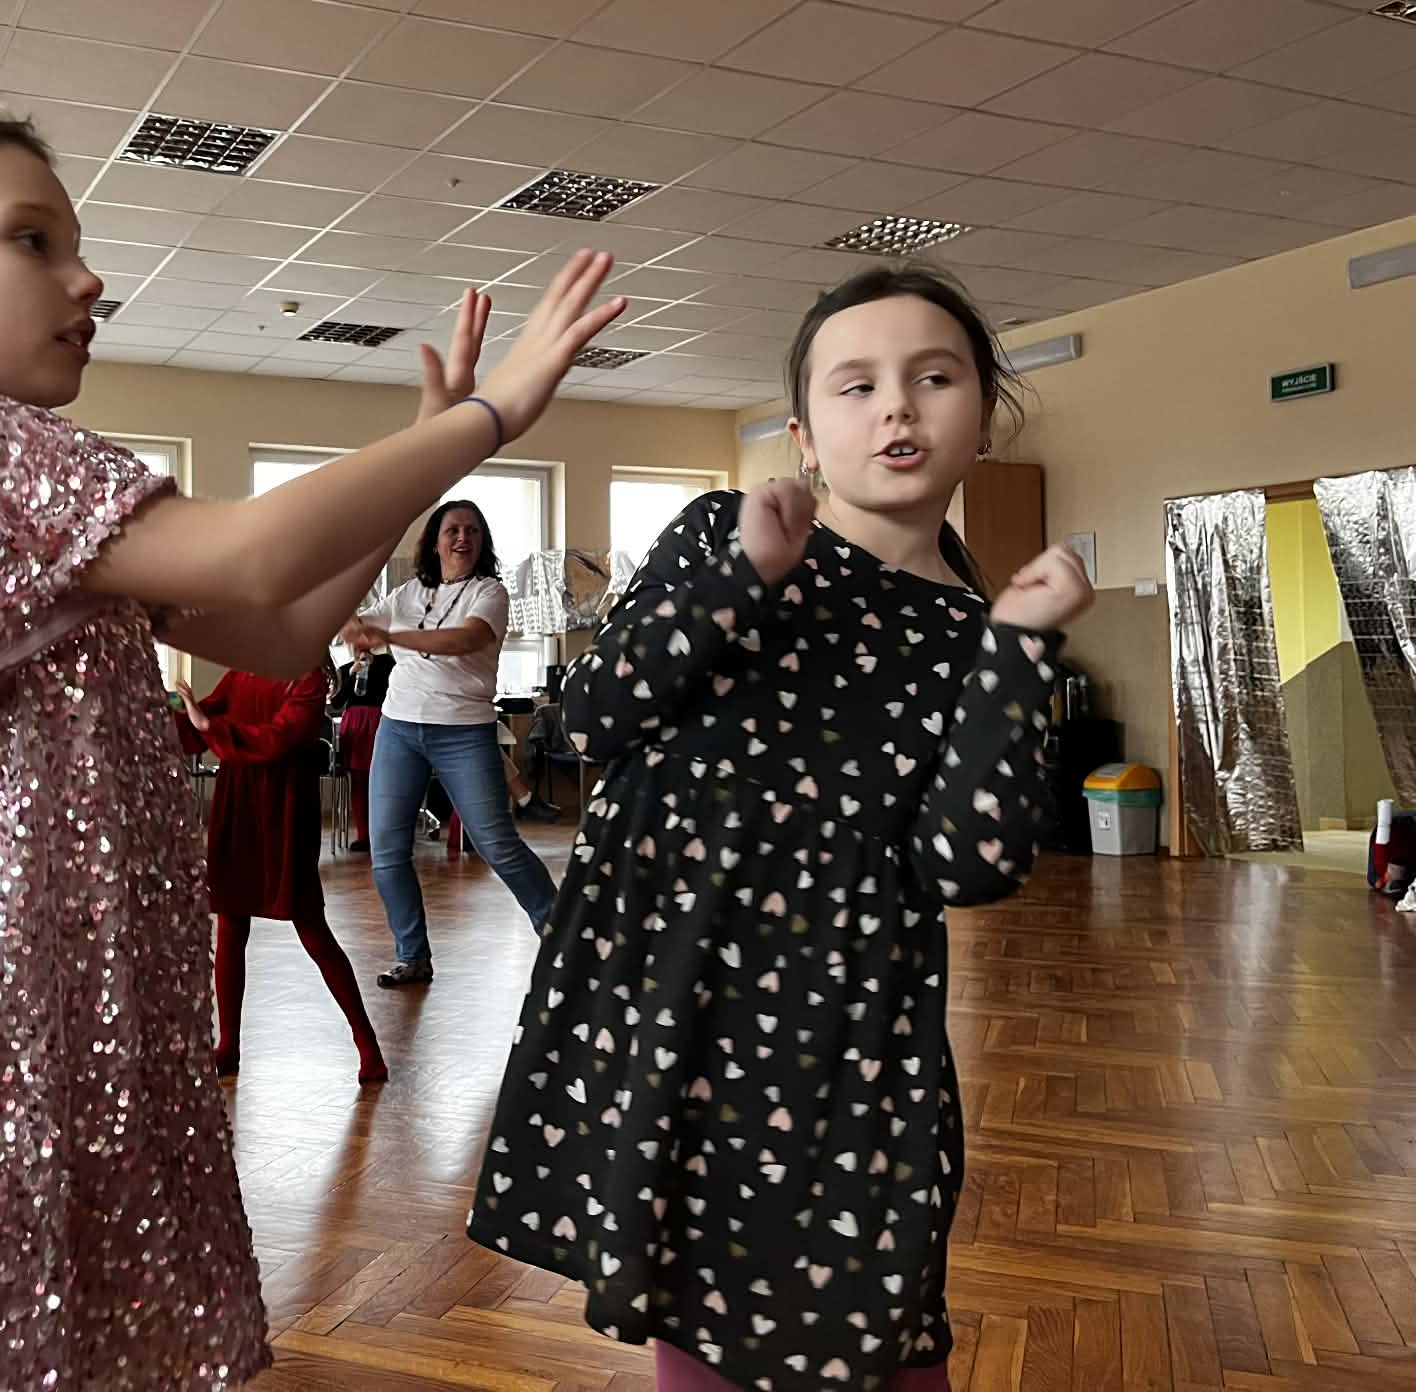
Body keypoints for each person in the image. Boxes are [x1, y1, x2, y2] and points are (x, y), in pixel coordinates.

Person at [0, 105, 625, 1390]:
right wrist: (478, 420)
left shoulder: (8, 477)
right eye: (32, 240)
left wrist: (420, 474)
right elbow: (251, 552)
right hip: (0, 1030)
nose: (86, 279)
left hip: (89, 1012)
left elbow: (275, 628)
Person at [468, 265, 1095, 1392]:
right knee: (695, 1310)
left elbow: (966, 864)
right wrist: (748, 572)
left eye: (933, 378)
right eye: (857, 386)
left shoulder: (976, 632)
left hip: (841, 1032)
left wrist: (1018, 651)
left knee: (872, 1331)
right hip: (668, 997)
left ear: (982, 421)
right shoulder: (724, 532)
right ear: (803, 435)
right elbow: (594, 712)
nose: (896, 407)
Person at [342, 496, 559, 988]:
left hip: (464, 730)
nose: (463, 538)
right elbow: (360, 627)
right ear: (435, 542)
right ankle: (412, 956)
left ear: (482, 542)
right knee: (387, 850)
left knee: (496, 844)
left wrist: (392, 638)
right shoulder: (410, 592)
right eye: (453, 530)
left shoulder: (490, 592)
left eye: (472, 531)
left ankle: (560, 935)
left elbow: (465, 639)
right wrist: (350, 620)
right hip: (399, 727)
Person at [175, 670, 386, 1084]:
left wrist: (209, 726)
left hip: (284, 811)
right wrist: (162, 710)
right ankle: (228, 1045)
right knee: (231, 924)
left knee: (312, 928)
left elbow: (279, 737)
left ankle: (368, 1045)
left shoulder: (307, 679)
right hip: (238, 804)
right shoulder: (240, 674)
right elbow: (198, 722)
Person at [331, 648, 393, 852]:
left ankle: (383, 834)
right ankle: (363, 835)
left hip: (379, 721)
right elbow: (336, 703)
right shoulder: (345, 669)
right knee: (358, 782)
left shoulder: (387, 664)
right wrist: (351, 676)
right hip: (355, 726)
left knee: (384, 781)